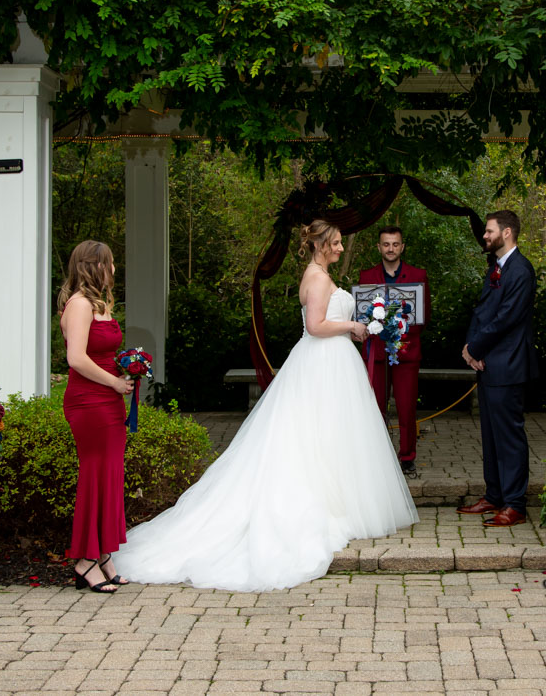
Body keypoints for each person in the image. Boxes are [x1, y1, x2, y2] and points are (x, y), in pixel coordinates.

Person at [114, 219, 419, 591]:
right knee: (317, 433)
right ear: (322, 245)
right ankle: (326, 505)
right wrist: (353, 327)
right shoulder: (319, 278)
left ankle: (340, 500)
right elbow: (317, 325)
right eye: (336, 243)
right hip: (323, 361)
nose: (341, 248)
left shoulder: (317, 273)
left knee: (327, 433)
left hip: (328, 363)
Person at [59, 240, 137, 594]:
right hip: (88, 401)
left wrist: (128, 369)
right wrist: (114, 383)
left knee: (110, 475)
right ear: (93, 266)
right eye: (109, 263)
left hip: (109, 398)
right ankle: (84, 560)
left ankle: (104, 555)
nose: (114, 269)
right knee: (95, 474)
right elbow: (76, 358)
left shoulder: (100, 305)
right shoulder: (78, 305)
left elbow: (103, 351)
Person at [459, 210, 540, 528]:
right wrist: (470, 348)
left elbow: (507, 318)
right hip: (489, 362)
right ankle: (493, 495)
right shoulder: (496, 266)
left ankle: (515, 504)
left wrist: (475, 348)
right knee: (490, 436)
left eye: (489, 231)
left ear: (507, 233)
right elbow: (483, 311)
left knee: (509, 437)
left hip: (509, 364)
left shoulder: (521, 270)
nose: (485, 236)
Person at [358, 225, 430, 475]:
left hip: (406, 351)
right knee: (375, 407)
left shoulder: (418, 275)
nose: (390, 248)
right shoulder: (365, 276)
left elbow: (424, 316)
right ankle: (378, 457)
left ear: (402, 247)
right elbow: (362, 315)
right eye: (386, 244)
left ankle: (407, 457)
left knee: (406, 407)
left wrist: (398, 333)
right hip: (376, 353)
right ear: (379, 247)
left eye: (395, 244)